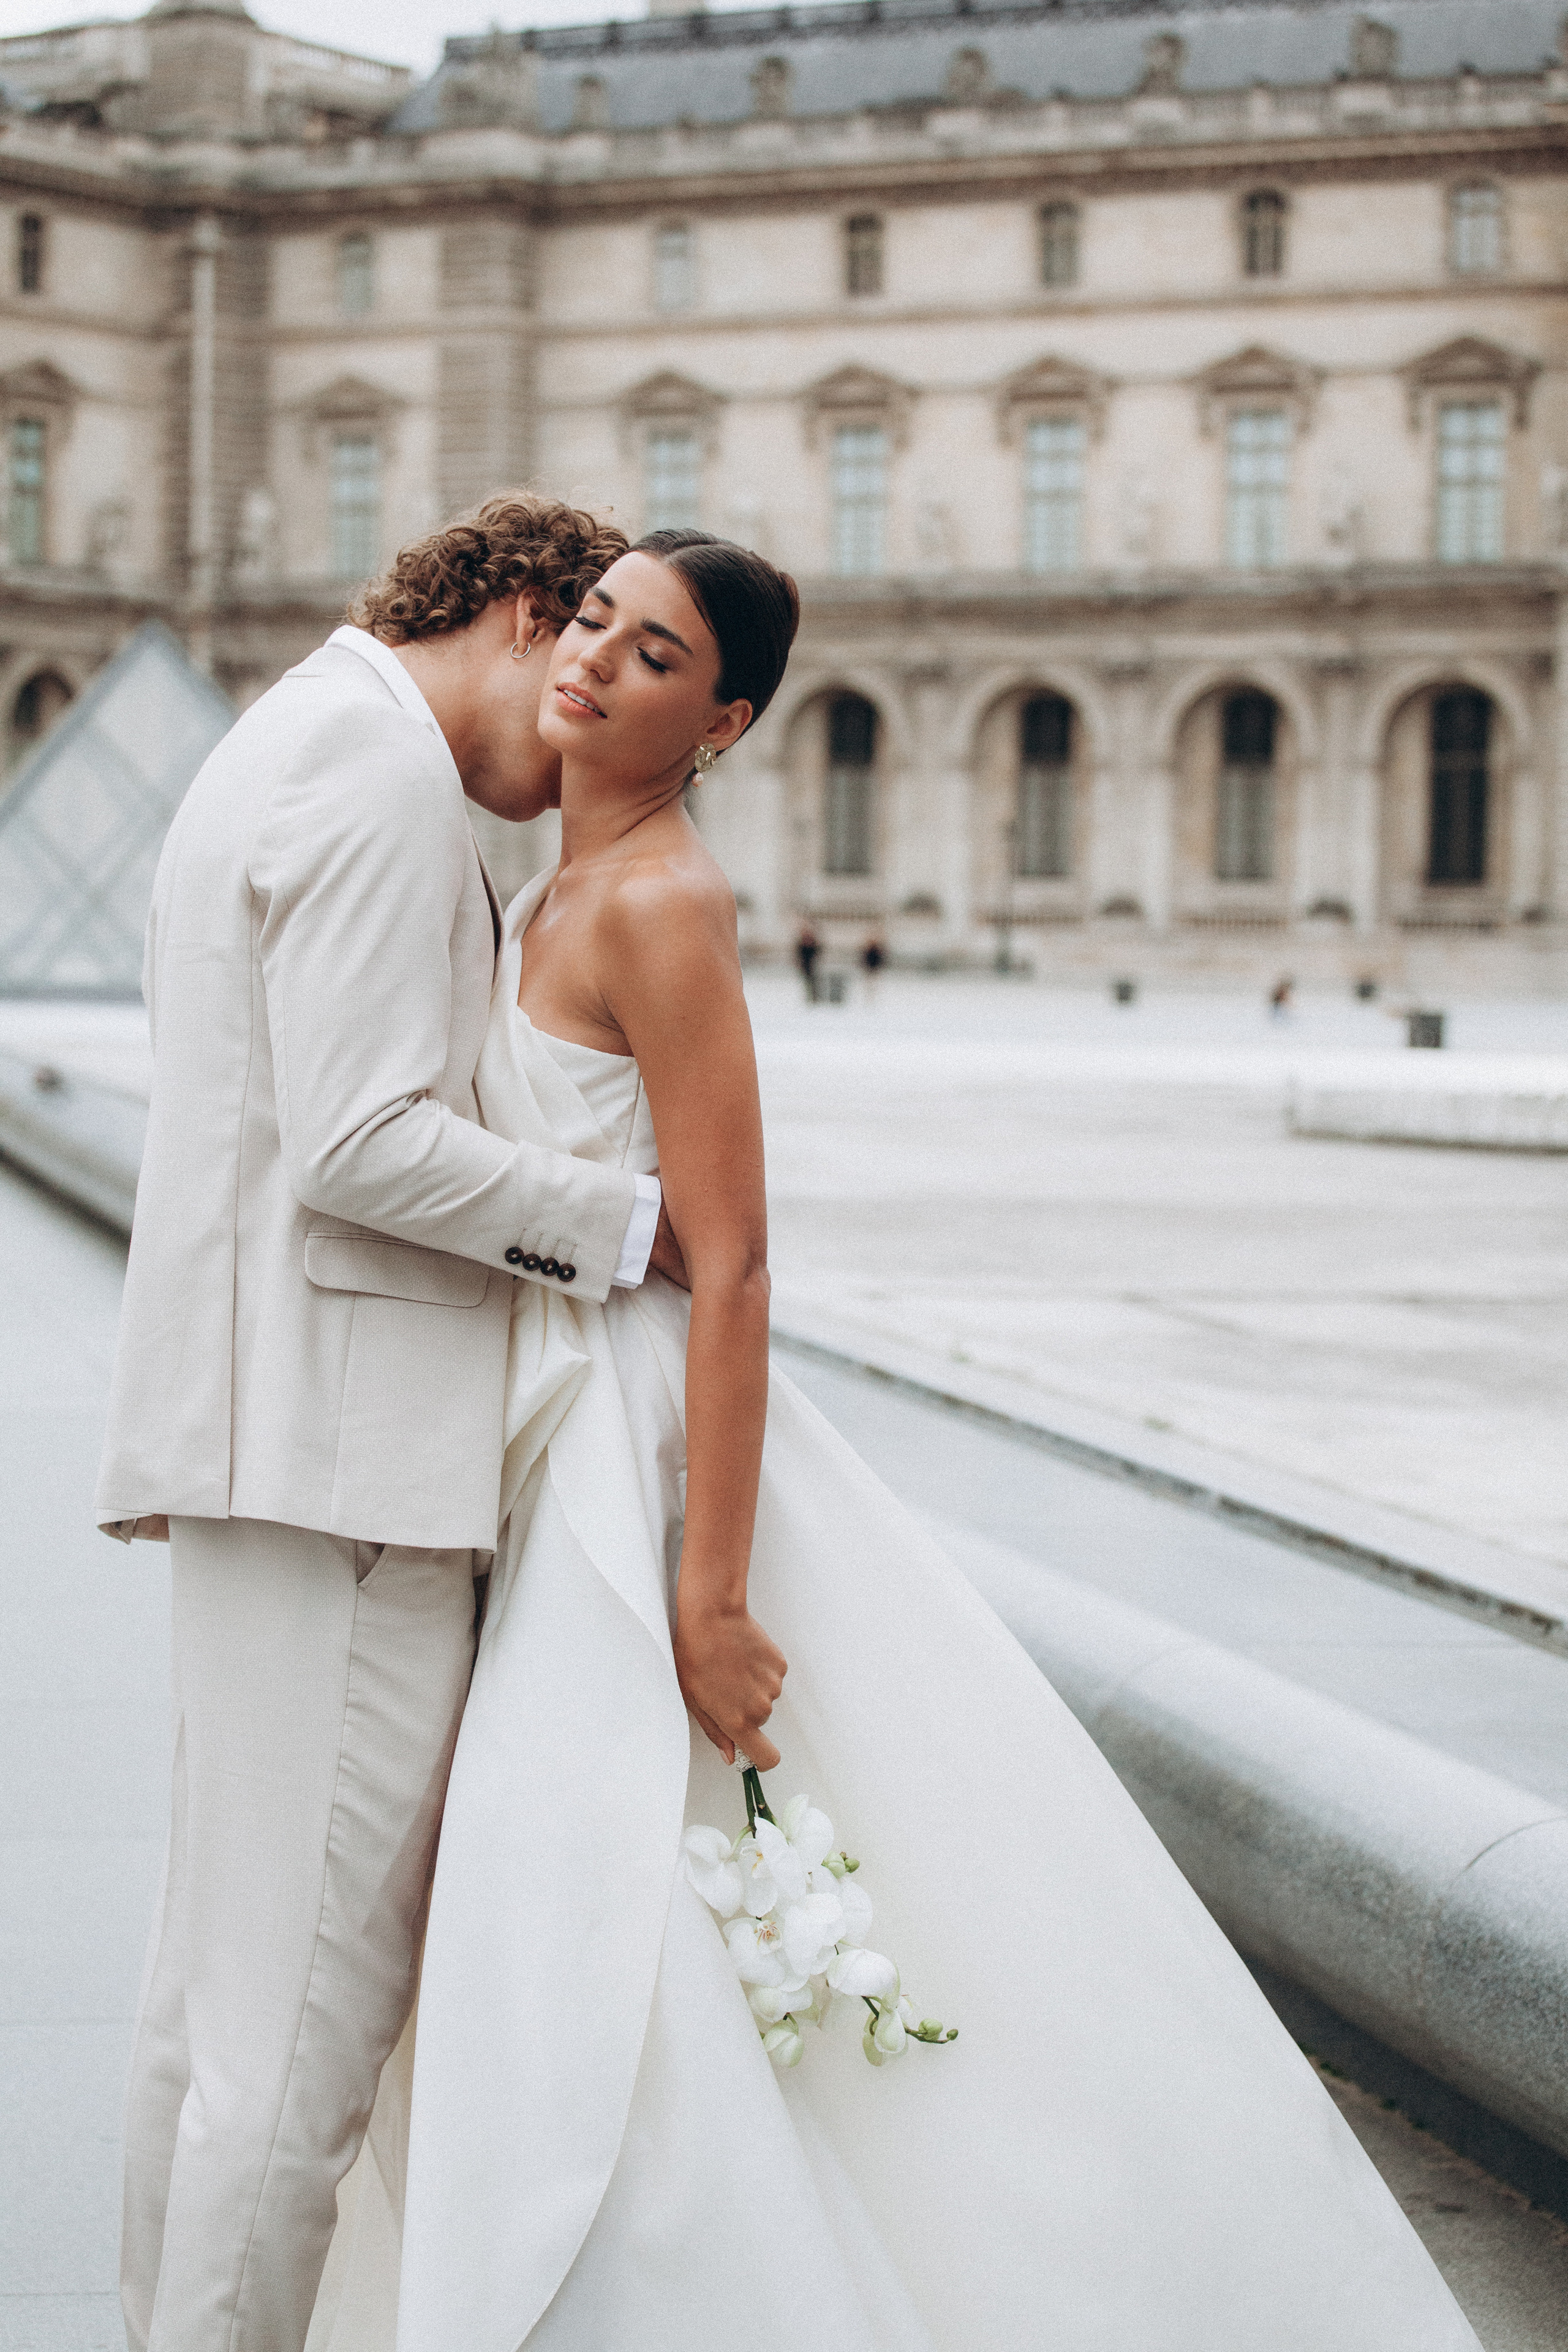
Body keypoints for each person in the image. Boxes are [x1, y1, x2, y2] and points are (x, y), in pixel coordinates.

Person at [307, 530, 1480, 2352]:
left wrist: (708, 1582)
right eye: (595, 620)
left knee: (586, 1881)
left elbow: (739, 1257)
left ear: (729, 718)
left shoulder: (657, 904)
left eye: (657, 650)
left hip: (627, 1459)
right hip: (534, 1436)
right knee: (584, 1889)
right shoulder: (538, 890)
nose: (598, 659)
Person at [96, 496, 692, 2352]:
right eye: (577, 659)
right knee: (293, 2051)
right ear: (524, 613)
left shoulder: (292, 735)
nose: (573, 728)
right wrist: (629, 1227)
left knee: (217, 2016)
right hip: (346, 1463)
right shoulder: (373, 775)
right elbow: (359, 1142)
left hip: (277, 1439)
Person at [794, 918, 821, 1000]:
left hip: (813, 964)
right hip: (806, 964)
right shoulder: (802, 943)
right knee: (808, 981)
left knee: (813, 981)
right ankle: (811, 996)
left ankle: (814, 997)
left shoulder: (813, 943)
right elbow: (798, 954)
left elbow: (818, 952)